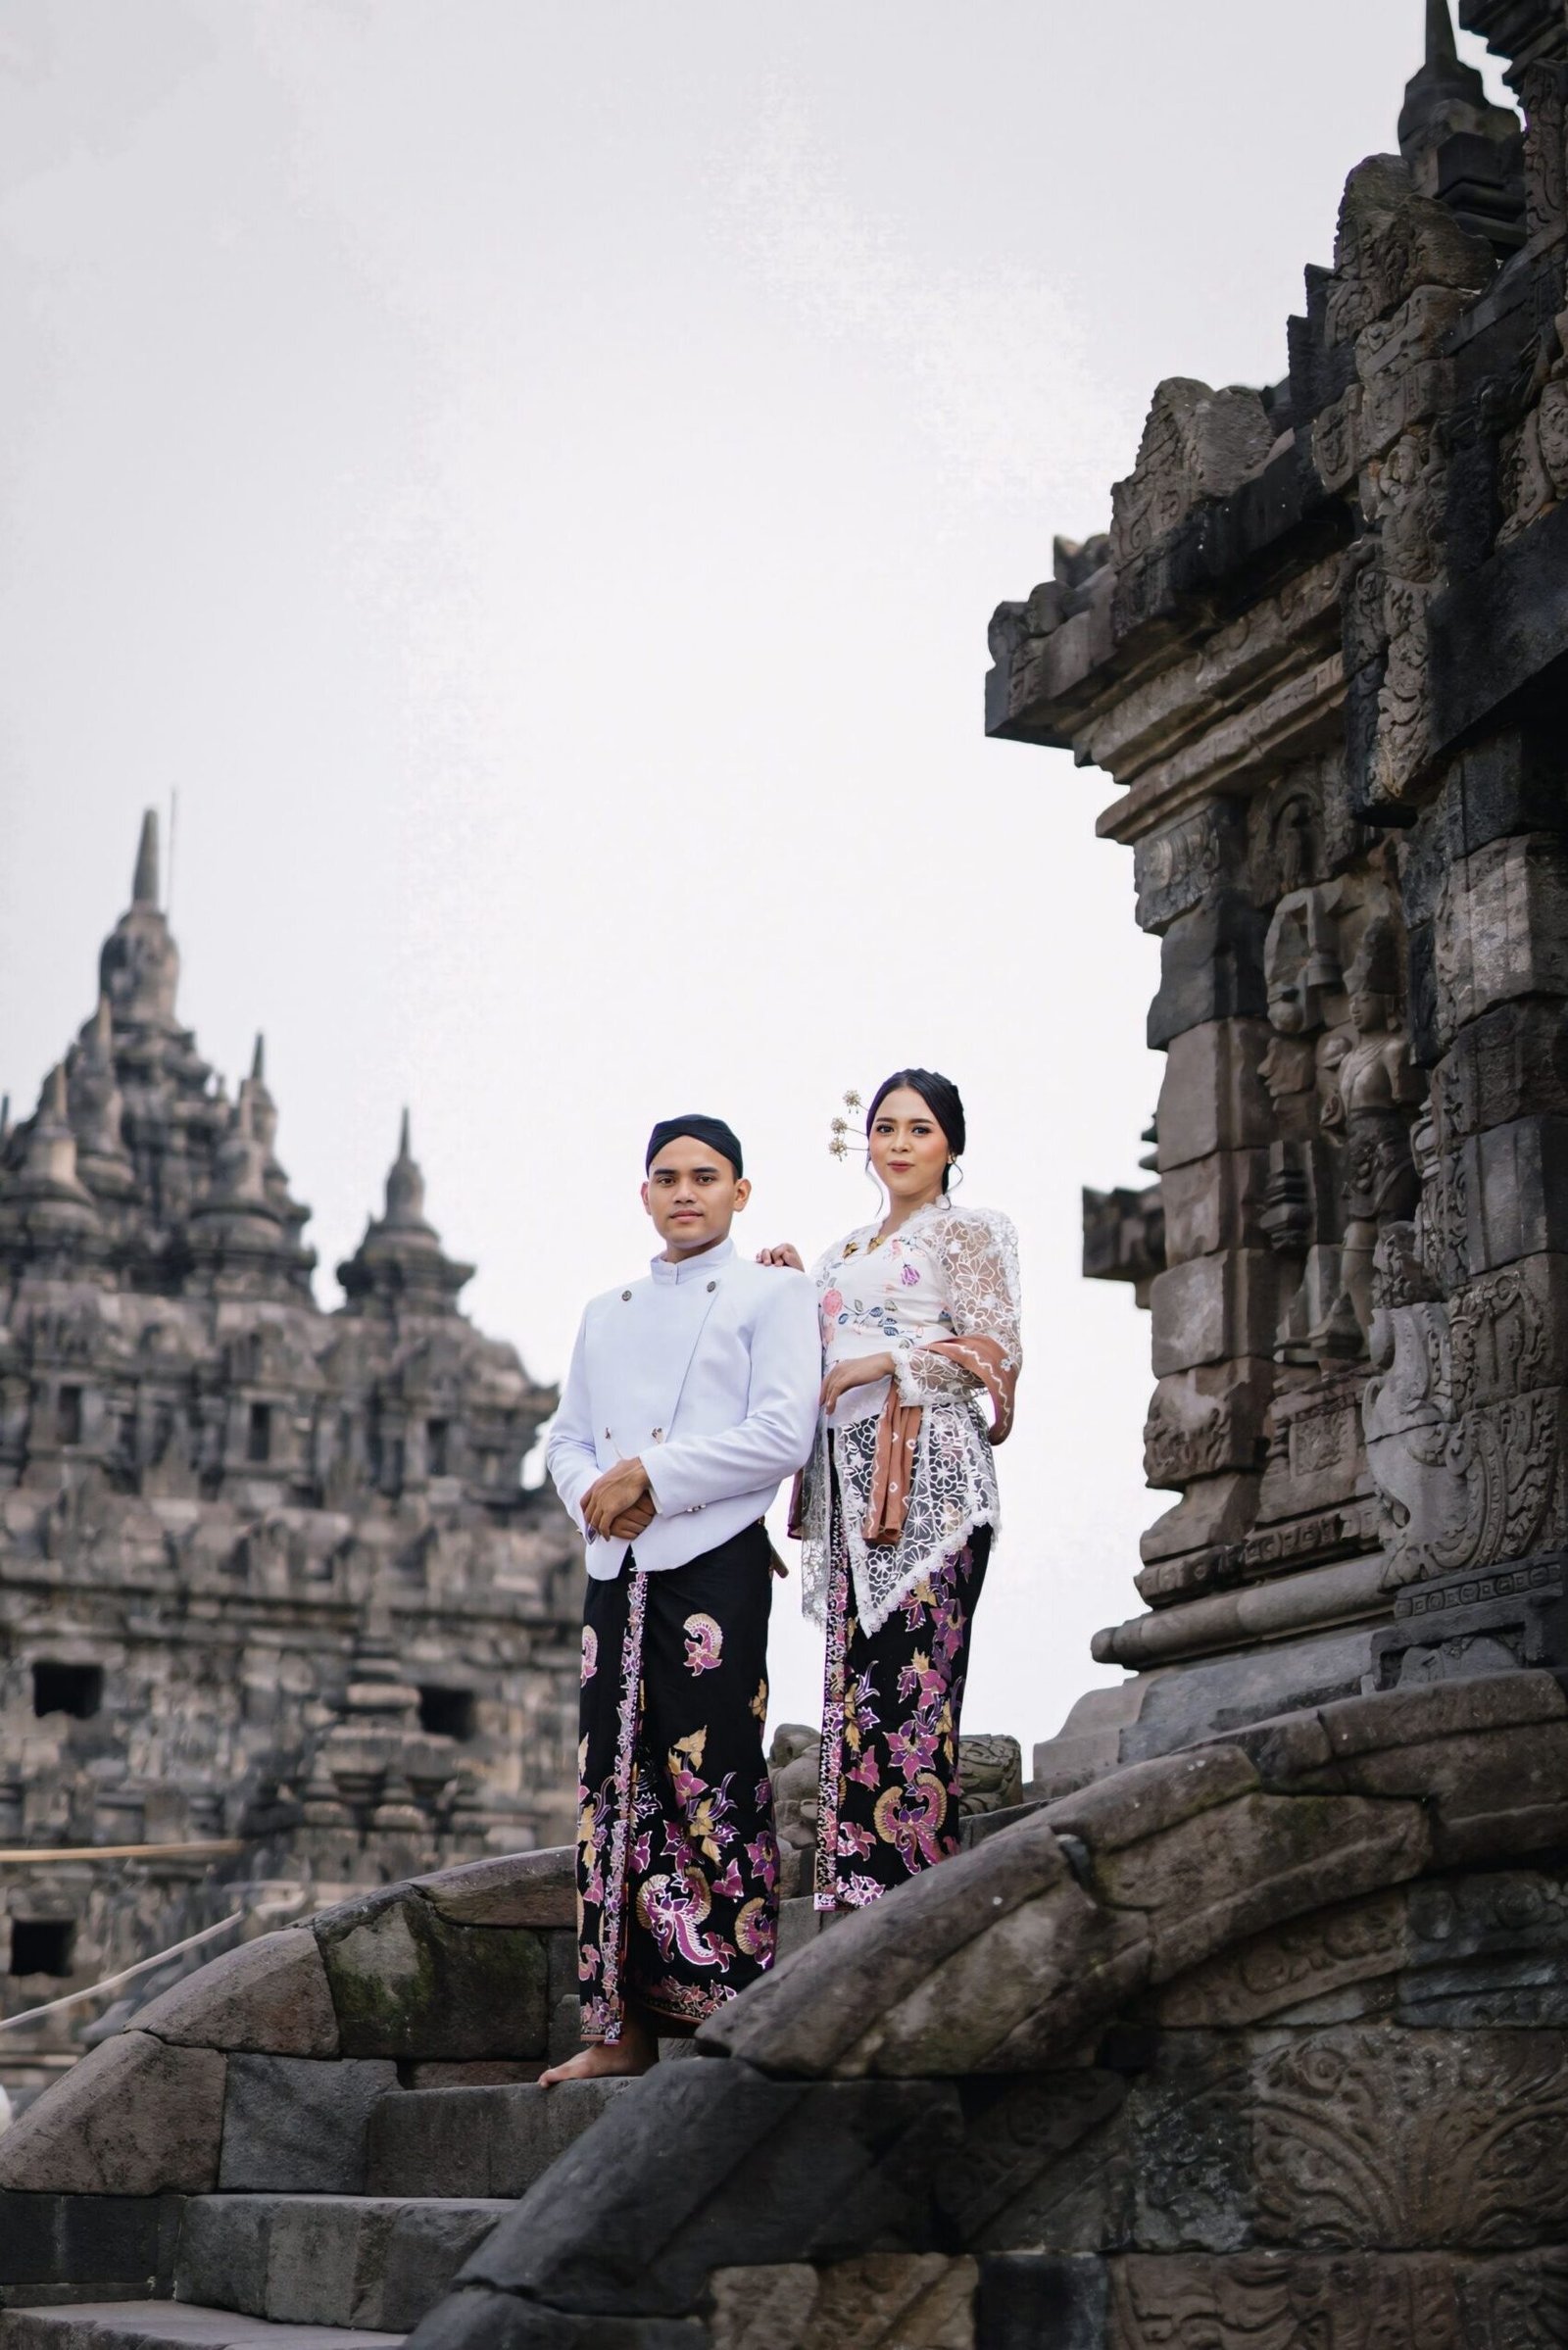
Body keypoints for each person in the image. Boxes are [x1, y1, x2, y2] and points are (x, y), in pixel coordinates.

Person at [541, 1114, 820, 2081]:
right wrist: (596, 1493)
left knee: (715, 1777)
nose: (685, 1192)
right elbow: (565, 1436)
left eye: (705, 1177)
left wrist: (651, 1476)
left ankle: (731, 2007)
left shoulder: (772, 1293)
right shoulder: (605, 1310)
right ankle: (614, 2030)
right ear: (645, 1194)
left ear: (740, 1192)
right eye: (667, 1178)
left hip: (712, 1560)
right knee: (610, 1790)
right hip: (616, 1565)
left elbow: (782, 1434)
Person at [759, 1070, 1020, 1912]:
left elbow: (994, 1351)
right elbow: (814, 1362)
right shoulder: (841, 1253)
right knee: (854, 1689)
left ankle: (907, 1896)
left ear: (951, 1145)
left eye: (920, 1129)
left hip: (932, 1484)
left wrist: (889, 1361)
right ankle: (850, 1898)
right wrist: (790, 1286)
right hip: (850, 1488)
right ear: (865, 1142)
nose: (900, 1144)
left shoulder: (967, 1231)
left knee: (913, 1682)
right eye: (885, 1128)